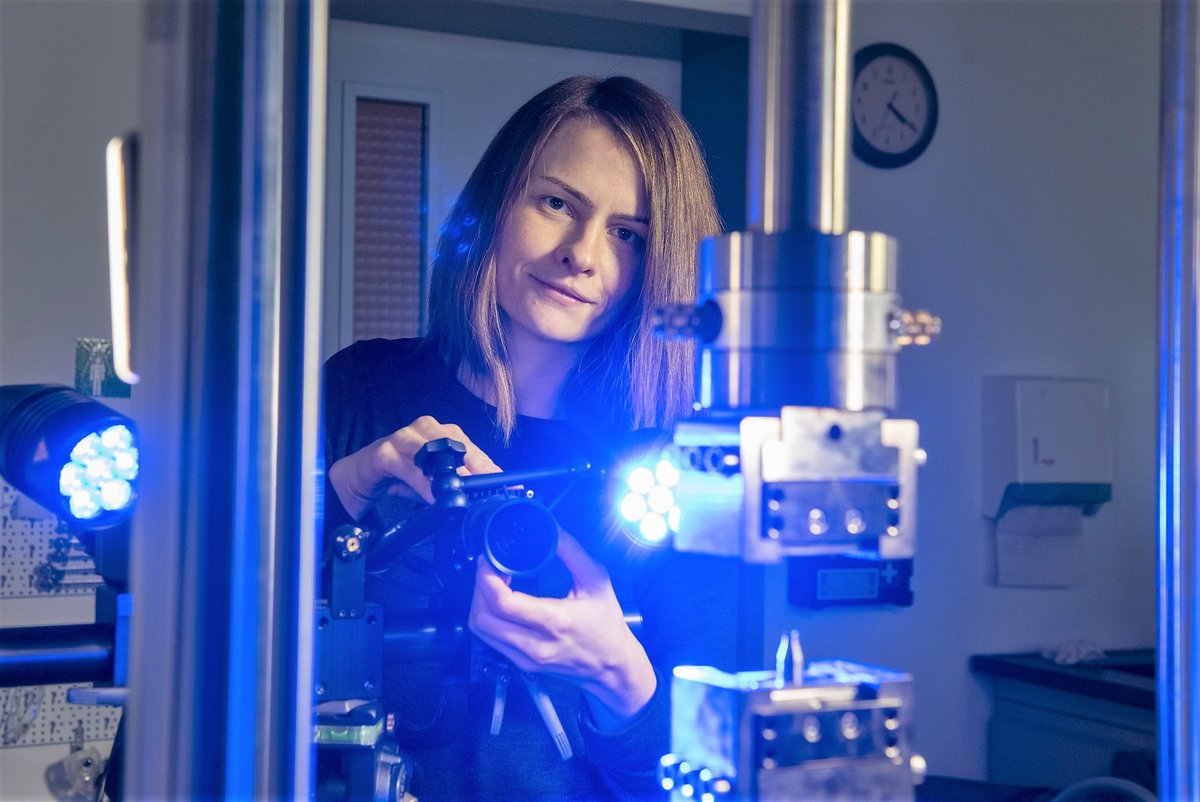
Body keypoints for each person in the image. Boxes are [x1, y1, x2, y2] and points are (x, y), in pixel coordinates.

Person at [322, 75, 731, 801]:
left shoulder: (680, 467)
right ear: (496, 204)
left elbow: (705, 785)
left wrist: (618, 674)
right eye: (557, 203)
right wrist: (338, 500)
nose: (583, 252)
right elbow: (231, 645)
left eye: (627, 234)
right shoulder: (359, 388)